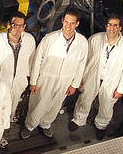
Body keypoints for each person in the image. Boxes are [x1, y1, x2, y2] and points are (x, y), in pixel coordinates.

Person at [21, 9, 89, 139]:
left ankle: (45, 124)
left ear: (77, 24)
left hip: (66, 80)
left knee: (55, 105)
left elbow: (81, 64)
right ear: (62, 21)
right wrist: (33, 81)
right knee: (39, 104)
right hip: (46, 78)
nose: (68, 26)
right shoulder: (50, 39)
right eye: (66, 22)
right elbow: (37, 60)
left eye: (72, 23)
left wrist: (74, 85)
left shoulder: (82, 43)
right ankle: (29, 126)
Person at [72, 15, 123, 140]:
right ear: (106, 26)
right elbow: (84, 59)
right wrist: (79, 78)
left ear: (120, 28)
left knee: (106, 106)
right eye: (110, 25)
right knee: (85, 98)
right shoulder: (95, 39)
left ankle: (101, 125)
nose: (112, 28)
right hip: (92, 76)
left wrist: (121, 89)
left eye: (115, 25)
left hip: (112, 81)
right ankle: (78, 119)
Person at [0, 11, 36, 127]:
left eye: (21, 26)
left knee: (11, 107)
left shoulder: (29, 40)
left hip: (18, 83)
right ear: (9, 25)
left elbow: (31, 60)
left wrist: (27, 78)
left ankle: (5, 127)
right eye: (14, 25)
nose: (17, 29)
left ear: (24, 27)